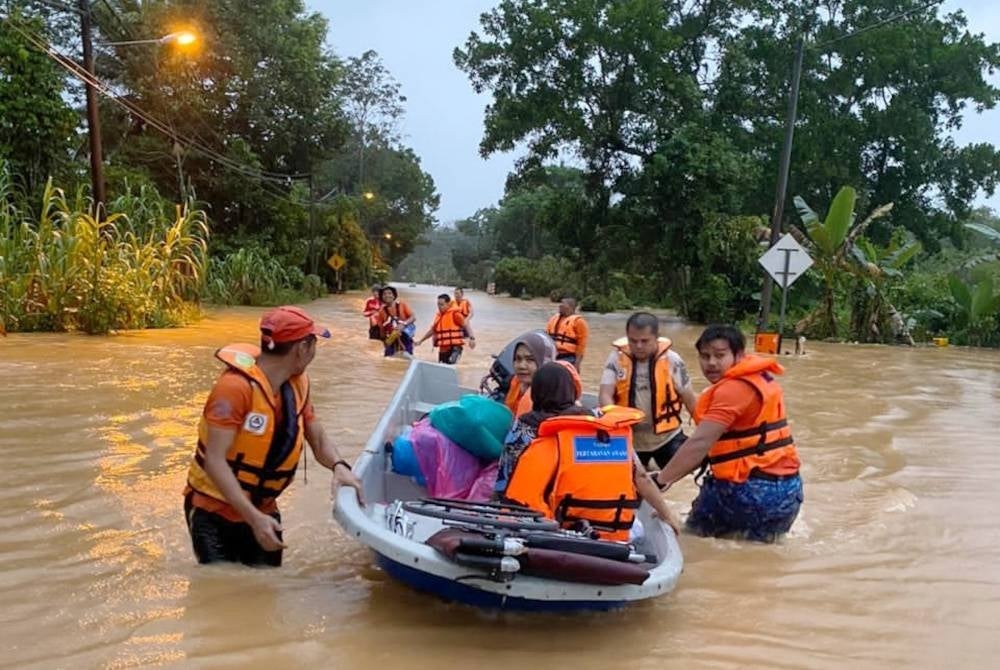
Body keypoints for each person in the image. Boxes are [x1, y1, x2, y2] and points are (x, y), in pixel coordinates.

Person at [183, 306, 364, 566]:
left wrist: (339, 466)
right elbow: (214, 461)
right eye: (313, 344)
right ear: (302, 348)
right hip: (213, 512)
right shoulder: (234, 389)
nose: (314, 353)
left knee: (265, 588)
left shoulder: (298, 384)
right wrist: (253, 518)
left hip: (263, 509)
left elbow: (318, 437)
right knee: (221, 587)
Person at [651, 325, 803, 543]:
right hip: (787, 491)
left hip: (748, 492)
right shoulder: (760, 378)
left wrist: (660, 481)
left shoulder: (732, 390)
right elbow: (722, 448)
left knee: (689, 540)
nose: (711, 363)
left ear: (739, 355)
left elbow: (700, 443)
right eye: (705, 356)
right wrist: (669, 478)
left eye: (720, 355)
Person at [502, 363, 680, 537]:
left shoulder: (525, 427)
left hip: (559, 530)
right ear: (572, 391)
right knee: (636, 528)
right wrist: (666, 513)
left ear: (535, 393)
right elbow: (641, 477)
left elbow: (507, 479)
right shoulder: (602, 424)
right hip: (615, 530)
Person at [598, 312, 697, 470]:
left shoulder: (673, 360)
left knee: (688, 467)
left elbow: (689, 399)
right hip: (631, 438)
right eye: (633, 340)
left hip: (667, 437)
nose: (638, 346)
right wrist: (614, 422)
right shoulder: (616, 358)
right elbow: (605, 395)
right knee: (628, 489)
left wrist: (705, 435)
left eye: (644, 341)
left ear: (656, 338)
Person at [502, 332, 558, 418]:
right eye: (518, 359)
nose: (521, 366)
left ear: (544, 362)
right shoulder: (516, 382)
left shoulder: (556, 396)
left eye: (530, 359)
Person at [416, 293, 476, 364]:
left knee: (450, 364)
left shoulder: (455, 314)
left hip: (455, 348)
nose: (439, 307)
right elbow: (432, 331)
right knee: (442, 367)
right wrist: (421, 341)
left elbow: (466, 325)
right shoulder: (438, 317)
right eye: (438, 304)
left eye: (442, 304)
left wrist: (472, 338)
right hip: (443, 349)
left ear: (448, 304)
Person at [546, 296, 588, 371]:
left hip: (568, 357)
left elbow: (581, 345)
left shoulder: (579, 322)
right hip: (552, 355)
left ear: (570, 307)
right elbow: (545, 337)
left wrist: (577, 363)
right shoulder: (553, 319)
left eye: (563, 304)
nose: (560, 305)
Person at [375, 286, 415, 357]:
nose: (387, 295)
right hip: (391, 339)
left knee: (408, 358)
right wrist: (385, 343)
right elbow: (382, 330)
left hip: (405, 338)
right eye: (384, 294)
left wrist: (403, 324)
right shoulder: (381, 312)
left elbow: (413, 317)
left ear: (394, 296)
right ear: (382, 297)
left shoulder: (402, 305)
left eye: (390, 293)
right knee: (388, 359)